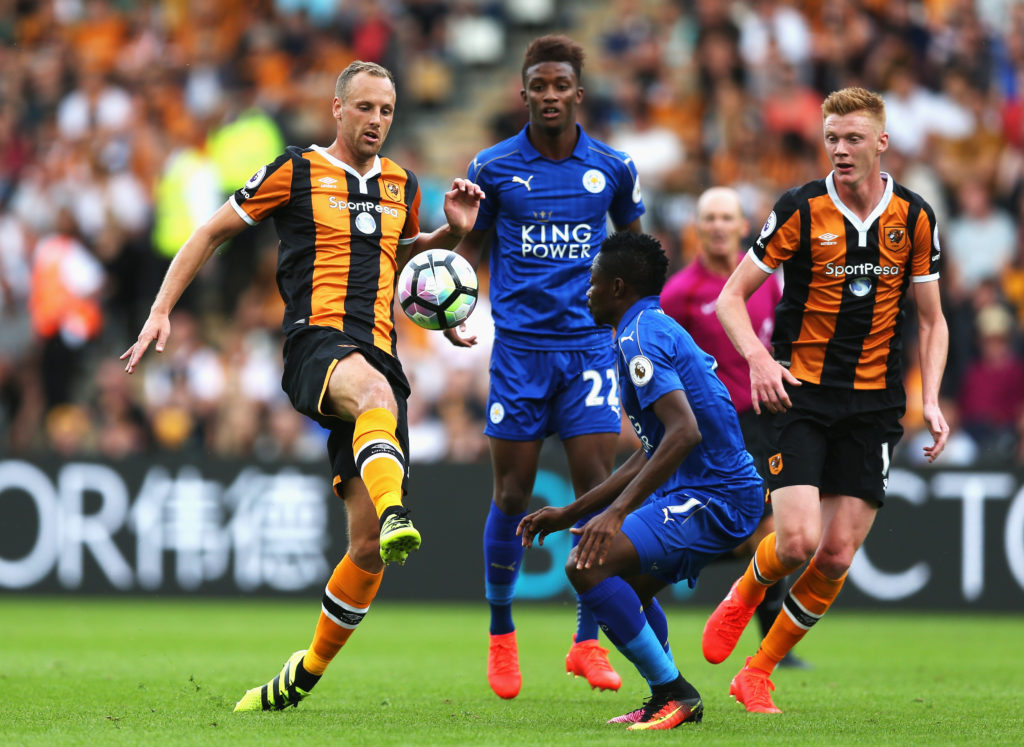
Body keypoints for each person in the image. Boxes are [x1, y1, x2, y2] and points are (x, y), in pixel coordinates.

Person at [121, 61, 484, 712]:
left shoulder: (402, 183)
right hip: (314, 345)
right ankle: (399, 506)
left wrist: (452, 233)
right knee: (374, 400)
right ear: (337, 109)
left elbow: (406, 263)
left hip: (380, 352)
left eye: (387, 111)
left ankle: (304, 672)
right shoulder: (294, 170)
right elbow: (211, 231)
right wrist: (160, 308)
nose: (376, 120)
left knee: (367, 548)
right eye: (365, 107)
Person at [705, 87, 949, 714]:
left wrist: (936, 398)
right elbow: (731, 298)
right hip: (800, 396)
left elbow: (932, 321)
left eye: (854, 138)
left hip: (873, 407)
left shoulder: (916, 218)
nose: (840, 149)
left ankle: (758, 672)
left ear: (882, 143)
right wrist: (759, 360)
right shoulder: (799, 209)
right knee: (795, 543)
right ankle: (742, 595)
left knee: (837, 554)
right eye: (832, 138)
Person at [443, 34, 645, 700]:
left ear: (578, 93)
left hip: (588, 349)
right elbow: (465, 247)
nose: (551, 96)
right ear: (523, 93)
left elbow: (635, 254)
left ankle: (586, 643)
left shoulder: (612, 168)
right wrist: (455, 311)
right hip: (520, 355)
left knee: (597, 490)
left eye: (562, 86)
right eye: (540, 86)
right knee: (511, 494)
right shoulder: (493, 166)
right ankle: (502, 637)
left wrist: (638, 330)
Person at [517, 231, 764, 730]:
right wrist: (573, 510)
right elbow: (655, 448)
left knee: (588, 568)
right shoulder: (649, 327)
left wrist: (614, 514)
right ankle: (663, 697)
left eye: (592, 282)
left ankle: (676, 693)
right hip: (707, 489)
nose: (586, 292)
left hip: (717, 495)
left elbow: (683, 433)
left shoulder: (639, 338)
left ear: (618, 286)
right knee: (622, 586)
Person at [660, 186, 807, 669]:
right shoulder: (680, 292)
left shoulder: (766, 280)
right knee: (757, 531)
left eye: (727, 217)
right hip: (715, 430)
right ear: (697, 227)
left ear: (744, 226)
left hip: (767, 421)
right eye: (710, 218)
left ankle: (771, 648)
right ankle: (659, 563)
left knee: (770, 532)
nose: (719, 226)